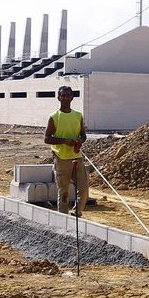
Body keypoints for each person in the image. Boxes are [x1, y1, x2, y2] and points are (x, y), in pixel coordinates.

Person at [44, 85, 88, 215]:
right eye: (63, 95)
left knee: (83, 188)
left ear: (72, 97)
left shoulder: (78, 116)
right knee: (63, 191)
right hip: (61, 158)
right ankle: (63, 217)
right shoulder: (54, 117)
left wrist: (80, 140)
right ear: (58, 98)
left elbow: (83, 134)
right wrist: (64, 141)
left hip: (76, 156)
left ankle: (77, 211)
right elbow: (47, 138)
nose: (65, 98)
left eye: (68, 95)